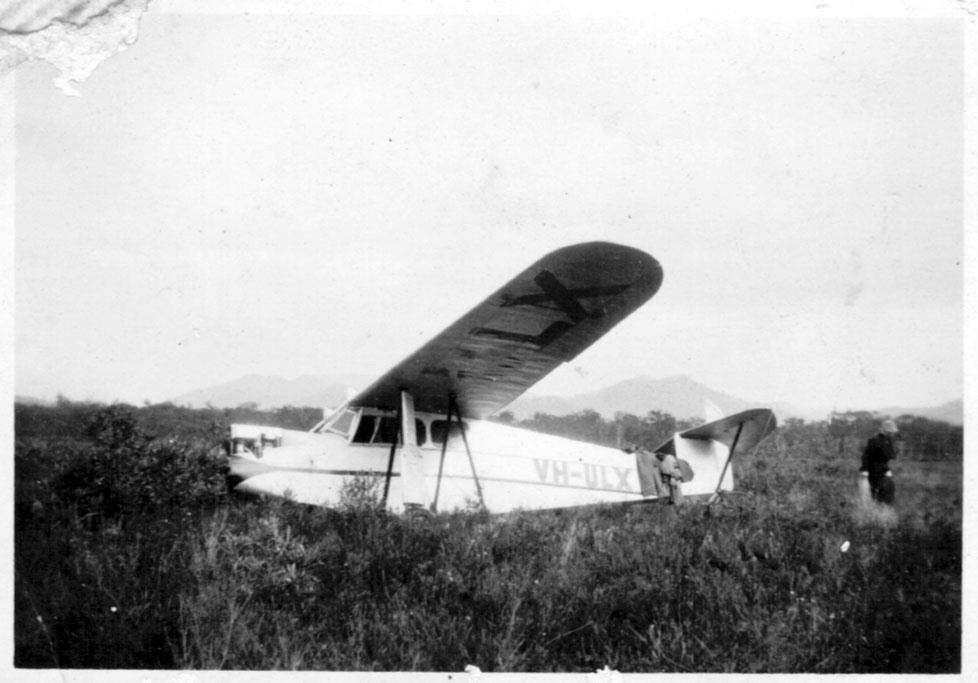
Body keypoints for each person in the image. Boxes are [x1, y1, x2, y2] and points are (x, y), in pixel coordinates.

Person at [860, 419, 898, 505]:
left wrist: (887, 469)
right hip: (873, 471)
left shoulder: (889, 441)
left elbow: (890, 456)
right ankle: (877, 511)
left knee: (889, 490)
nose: (892, 433)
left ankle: (886, 509)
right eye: (890, 431)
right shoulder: (874, 440)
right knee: (876, 492)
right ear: (885, 431)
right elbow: (866, 455)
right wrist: (864, 470)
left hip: (884, 470)